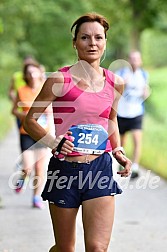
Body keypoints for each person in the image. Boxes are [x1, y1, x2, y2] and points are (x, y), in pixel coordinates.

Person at [24, 13, 131, 251]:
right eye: (85, 37)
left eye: (98, 38)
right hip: (65, 170)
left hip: (99, 169)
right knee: (65, 248)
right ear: (75, 42)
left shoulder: (116, 82)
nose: (92, 43)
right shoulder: (59, 80)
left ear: (105, 43)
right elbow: (30, 120)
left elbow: (111, 121)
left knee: (97, 248)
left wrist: (118, 150)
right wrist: (53, 143)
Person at [12, 62, 51, 209]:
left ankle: (36, 197)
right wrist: (25, 115)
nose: (32, 75)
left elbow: (52, 110)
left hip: (42, 132)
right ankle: (23, 178)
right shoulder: (22, 90)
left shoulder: (45, 89)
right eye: (29, 73)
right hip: (26, 132)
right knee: (28, 167)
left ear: (39, 73)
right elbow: (14, 110)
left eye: (34, 72)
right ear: (26, 76)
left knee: (40, 168)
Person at [116, 51, 150, 179]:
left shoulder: (144, 74)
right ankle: (122, 162)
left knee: (137, 140)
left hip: (137, 112)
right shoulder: (121, 73)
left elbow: (145, 89)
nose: (134, 61)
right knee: (122, 141)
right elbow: (114, 90)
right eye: (132, 59)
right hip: (122, 112)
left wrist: (146, 93)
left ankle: (135, 167)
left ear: (140, 61)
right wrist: (124, 83)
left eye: (136, 59)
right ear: (128, 60)